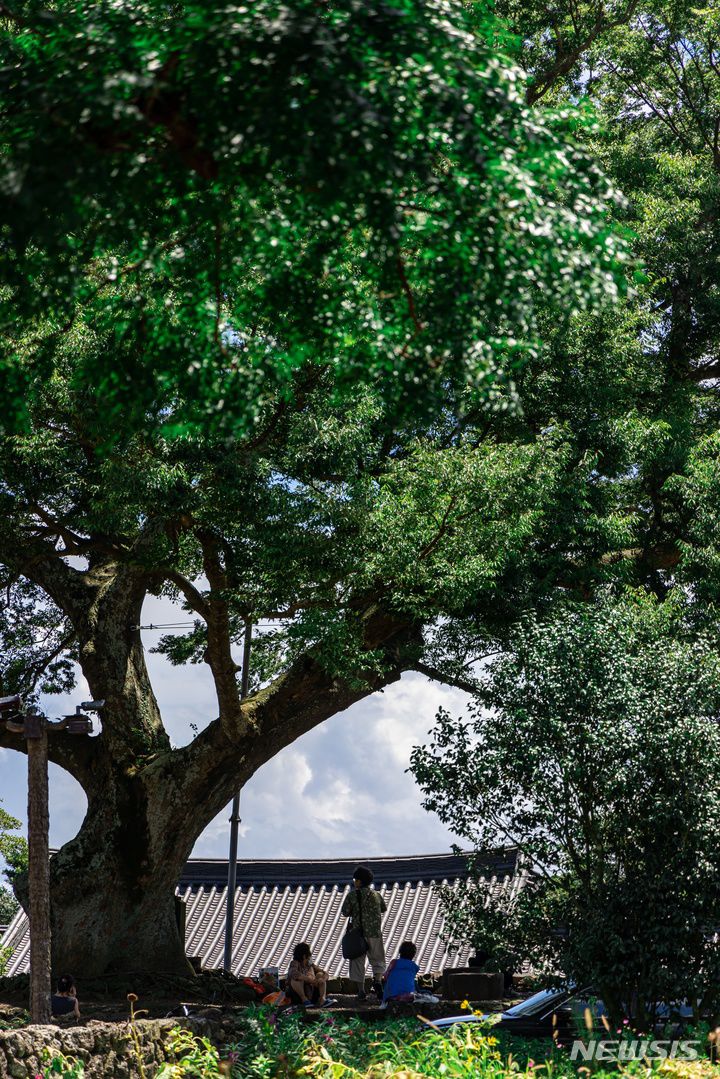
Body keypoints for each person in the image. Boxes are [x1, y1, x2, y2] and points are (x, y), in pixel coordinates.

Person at [341, 864, 387, 1000]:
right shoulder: (377, 895)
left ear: (359, 881)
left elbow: (345, 912)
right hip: (374, 933)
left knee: (357, 962)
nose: (354, 881)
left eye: (355, 879)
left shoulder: (352, 896)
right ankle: (377, 981)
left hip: (358, 934)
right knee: (378, 959)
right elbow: (383, 909)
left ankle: (361, 991)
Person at [381, 941, 440, 1009]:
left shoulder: (393, 963)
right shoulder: (414, 967)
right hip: (408, 995)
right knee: (427, 992)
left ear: (400, 952)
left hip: (389, 996)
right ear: (413, 955)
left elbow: (385, 977)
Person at [286, 942, 336, 1008]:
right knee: (296, 979)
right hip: (298, 996)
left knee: (320, 975)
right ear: (304, 956)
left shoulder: (310, 965)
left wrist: (322, 979)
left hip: (311, 992)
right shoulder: (294, 963)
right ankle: (305, 1000)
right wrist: (310, 980)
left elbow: (325, 973)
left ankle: (322, 999)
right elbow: (294, 974)